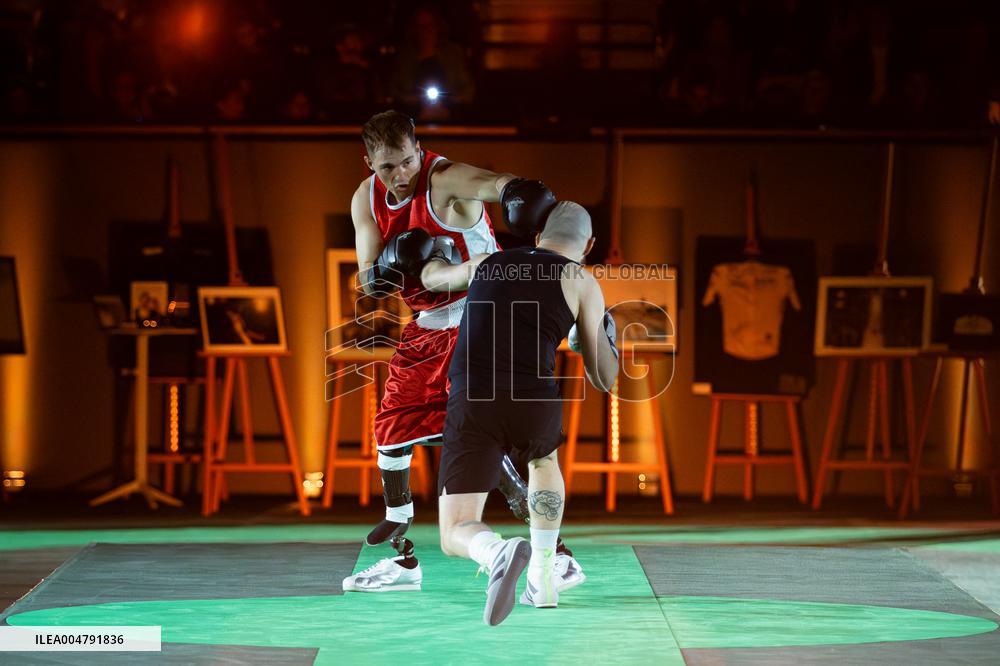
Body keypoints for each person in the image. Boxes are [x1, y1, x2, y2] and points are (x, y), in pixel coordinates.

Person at [341, 110, 583, 593]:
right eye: (388, 167)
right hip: (426, 329)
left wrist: (521, 195)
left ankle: (556, 557)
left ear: (419, 150)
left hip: (480, 321)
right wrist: (390, 266)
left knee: (509, 444)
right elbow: (365, 279)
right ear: (369, 162)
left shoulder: (446, 178)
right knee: (390, 433)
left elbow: (502, 184)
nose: (402, 175)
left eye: (408, 161)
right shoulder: (365, 199)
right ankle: (404, 562)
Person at [437, 202, 620, 625]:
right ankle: (542, 577)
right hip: (534, 396)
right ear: (589, 245)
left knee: (455, 531)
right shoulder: (580, 279)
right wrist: (601, 339)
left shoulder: (490, 263)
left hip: (473, 393)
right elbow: (604, 379)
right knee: (544, 459)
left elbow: (439, 284)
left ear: (537, 238)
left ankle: (496, 550)